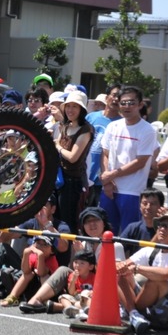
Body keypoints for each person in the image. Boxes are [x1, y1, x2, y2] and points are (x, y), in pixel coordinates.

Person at [20, 206, 125, 314]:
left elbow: (112, 276)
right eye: (87, 221)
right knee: (63, 270)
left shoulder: (115, 245)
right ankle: (35, 301)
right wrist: (78, 258)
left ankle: (60, 306)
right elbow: (73, 270)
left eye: (96, 220)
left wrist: (85, 256)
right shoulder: (83, 243)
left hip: (99, 289)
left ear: (104, 223)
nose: (92, 224)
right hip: (80, 286)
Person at [0, 194, 70, 289]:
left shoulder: (61, 226)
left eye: (44, 205)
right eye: (38, 205)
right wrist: (15, 220)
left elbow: (63, 247)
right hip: (28, 268)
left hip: (49, 273)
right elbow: (3, 239)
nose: (40, 208)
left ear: (53, 209)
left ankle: (13, 280)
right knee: (3, 249)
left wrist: (47, 224)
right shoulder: (31, 222)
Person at [116, 210, 168, 335]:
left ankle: (130, 309)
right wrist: (121, 266)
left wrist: (137, 268)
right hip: (151, 305)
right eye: (161, 225)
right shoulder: (151, 251)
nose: (162, 229)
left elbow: (166, 273)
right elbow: (122, 265)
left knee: (157, 281)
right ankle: (134, 314)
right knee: (120, 272)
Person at [100, 86, 159, 233]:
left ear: (140, 105)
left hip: (132, 191)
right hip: (109, 189)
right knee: (106, 232)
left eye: (131, 103)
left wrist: (112, 174)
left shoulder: (148, 130)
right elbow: (105, 153)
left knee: (128, 234)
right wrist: (106, 180)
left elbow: (141, 162)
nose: (127, 106)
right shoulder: (113, 126)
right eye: (123, 103)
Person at [55, 91, 94, 233]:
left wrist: (58, 147)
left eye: (75, 107)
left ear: (82, 110)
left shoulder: (86, 130)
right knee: (56, 219)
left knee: (69, 223)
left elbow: (73, 157)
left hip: (73, 182)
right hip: (59, 179)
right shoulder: (66, 126)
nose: (70, 110)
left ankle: (69, 254)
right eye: (68, 106)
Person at [84, 84, 122, 207]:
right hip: (86, 175)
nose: (116, 99)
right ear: (107, 98)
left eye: (120, 97)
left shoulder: (122, 124)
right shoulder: (90, 117)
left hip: (106, 181)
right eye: (114, 95)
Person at [0, 235, 60, 307]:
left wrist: (40, 256)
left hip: (50, 291)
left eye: (45, 245)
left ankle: (44, 300)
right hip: (33, 287)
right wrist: (26, 254)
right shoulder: (34, 256)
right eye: (38, 243)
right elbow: (25, 270)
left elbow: (41, 273)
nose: (40, 246)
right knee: (27, 275)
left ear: (52, 250)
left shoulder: (52, 260)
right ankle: (13, 296)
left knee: (44, 276)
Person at [120, 188, 164, 257]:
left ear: (161, 207)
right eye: (145, 203)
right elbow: (118, 248)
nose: (148, 207)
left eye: (153, 204)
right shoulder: (132, 227)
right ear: (140, 206)